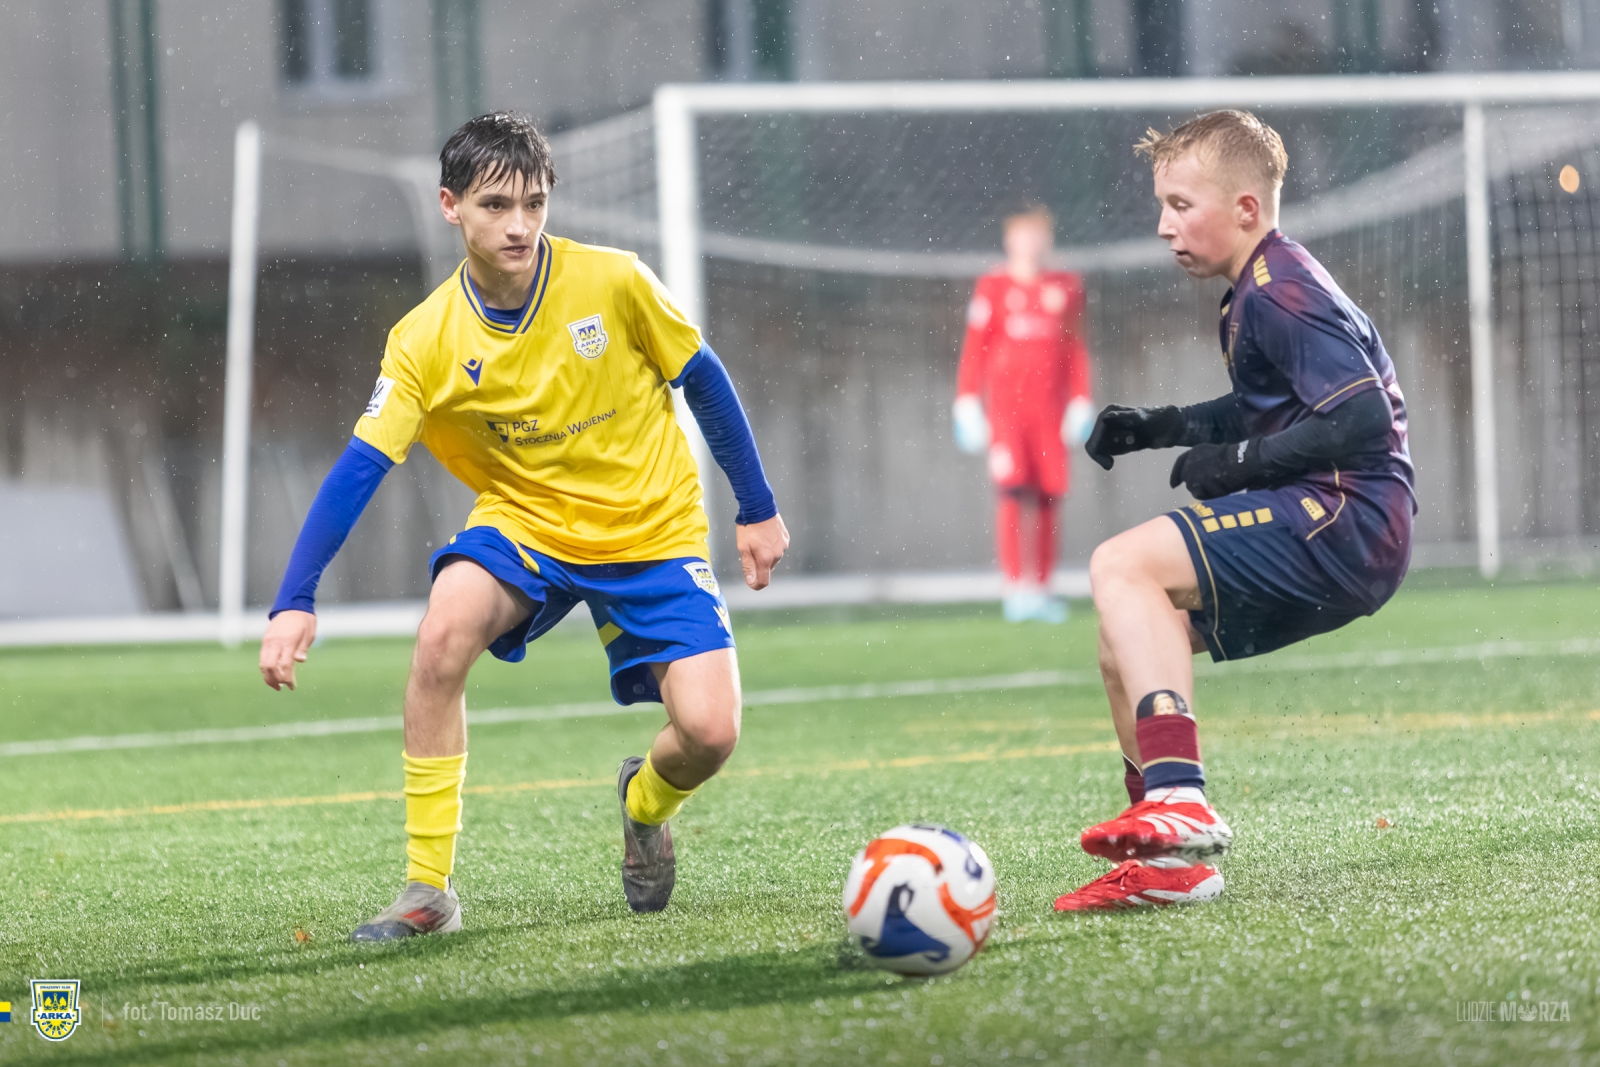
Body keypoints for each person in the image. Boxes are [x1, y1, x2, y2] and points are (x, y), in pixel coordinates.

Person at [257, 112, 789, 939]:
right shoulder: (424, 339)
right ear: (450, 206)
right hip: (528, 523)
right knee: (441, 634)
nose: (519, 225)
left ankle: (644, 802)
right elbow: (361, 467)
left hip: (651, 528)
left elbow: (705, 379)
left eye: (534, 204)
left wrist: (755, 507)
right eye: (496, 205)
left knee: (711, 734)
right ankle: (428, 889)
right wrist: (295, 598)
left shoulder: (614, 281)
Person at [1054, 110, 1414, 911]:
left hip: (1343, 518)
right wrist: (1164, 427)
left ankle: (1178, 798)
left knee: (1121, 565)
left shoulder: (1281, 292)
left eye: (1181, 205)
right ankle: (1170, 862)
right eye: (1163, 206)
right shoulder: (1260, 285)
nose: (1164, 226)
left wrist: (1239, 464)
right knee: (1125, 637)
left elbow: (1359, 419)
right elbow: (1271, 403)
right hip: (1347, 527)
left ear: (1246, 207)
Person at [954, 204, 1095, 624]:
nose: (1029, 243)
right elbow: (975, 347)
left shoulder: (1065, 286)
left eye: (1036, 234)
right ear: (1008, 239)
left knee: (1050, 495)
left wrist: (1081, 399)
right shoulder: (993, 287)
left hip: (1050, 412)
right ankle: (1016, 587)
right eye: (1021, 234)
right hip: (1008, 414)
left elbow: (1075, 347)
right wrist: (966, 401)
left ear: (1046, 239)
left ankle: (1043, 587)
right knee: (1012, 491)